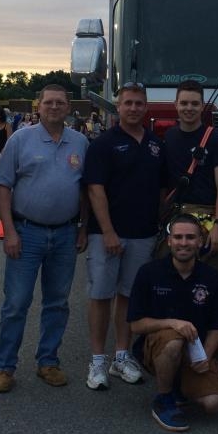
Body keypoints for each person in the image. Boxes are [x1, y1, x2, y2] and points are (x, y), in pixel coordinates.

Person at [0, 84, 89, 392]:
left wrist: (83, 228)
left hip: (65, 233)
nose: (55, 107)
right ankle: (4, 367)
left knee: (57, 302)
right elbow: (2, 187)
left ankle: (48, 361)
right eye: (49, 102)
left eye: (60, 102)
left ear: (69, 108)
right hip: (26, 233)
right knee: (17, 303)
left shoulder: (81, 142)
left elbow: (86, 189)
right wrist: (8, 231)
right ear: (39, 105)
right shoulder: (20, 139)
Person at [82, 81, 167, 391]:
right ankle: (97, 360)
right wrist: (107, 231)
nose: (133, 108)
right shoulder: (103, 144)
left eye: (138, 103)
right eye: (127, 103)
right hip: (108, 235)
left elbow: (161, 190)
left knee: (128, 296)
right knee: (101, 295)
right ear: (117, 107)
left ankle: (121, 356)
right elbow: (95, 189)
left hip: (143, 234)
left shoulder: (156, 145)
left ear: (146, 107)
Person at [127, 214, 218, 432]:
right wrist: (173, 323)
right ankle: (164, 399)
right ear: (169, 241)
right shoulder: (149, 273)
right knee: (174, 340)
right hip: (159, 348)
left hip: (195, 353)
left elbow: (217, 326)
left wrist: (207, 358)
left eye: (190, 237)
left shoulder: (213, 278)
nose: (184, 243)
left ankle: (181, 385)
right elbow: (135, 325)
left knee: (214, 404)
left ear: (200, 241)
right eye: (178, 237)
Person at [162, 79, 218, 276]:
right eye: (184, 103)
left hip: (208, 219)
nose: (189, 108)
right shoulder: (169, 137)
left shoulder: (217, 140)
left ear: (203, 106)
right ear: (175, 105)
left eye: (194, 103)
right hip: (176, 218)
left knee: (212, 277)